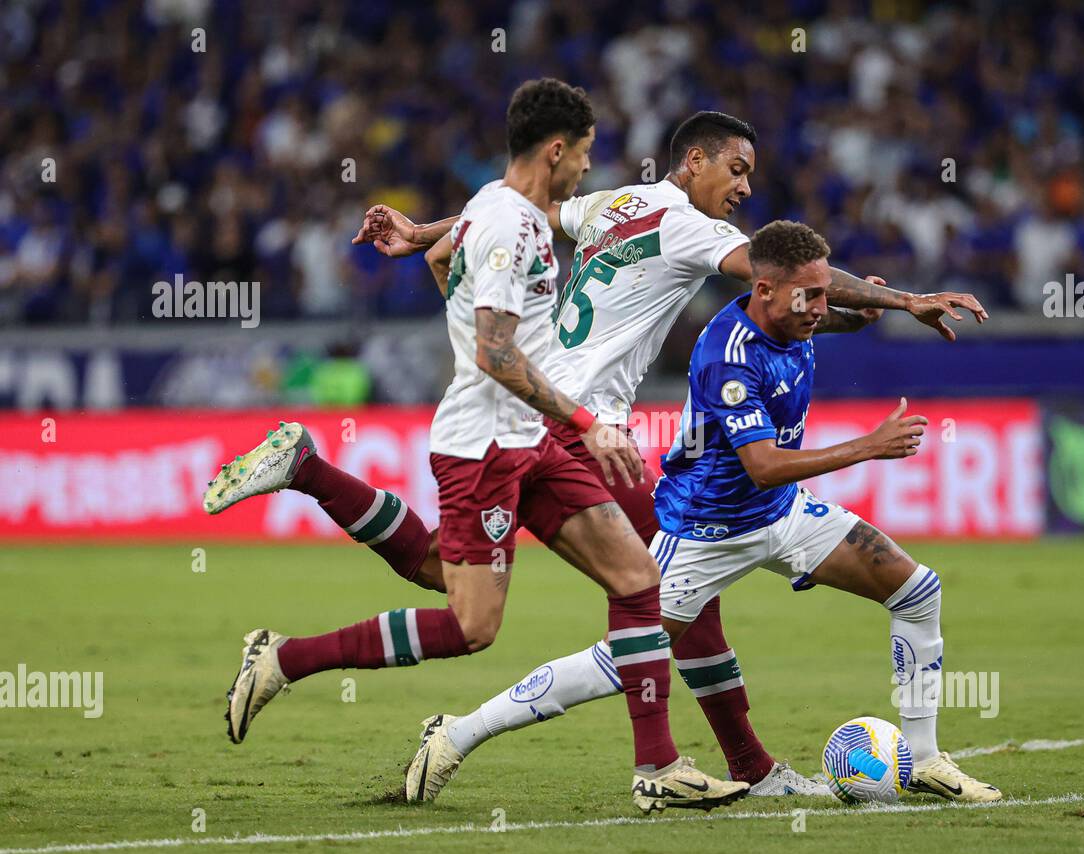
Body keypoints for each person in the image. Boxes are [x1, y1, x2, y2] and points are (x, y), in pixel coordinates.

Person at [220, 78, 747, 814]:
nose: (589, 168)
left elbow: (445, 269)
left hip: (528, 438)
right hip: (487, 446)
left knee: (635, 580)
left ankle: (657, 764)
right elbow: (499, 355)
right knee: (470, 623)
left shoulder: (499, 212)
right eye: (586, 153)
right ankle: (285, 655)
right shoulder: (508, 224)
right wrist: (587, 420)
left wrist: (428, 257)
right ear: (556, 150)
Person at [650, 219, 1003, 802]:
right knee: (623, 659)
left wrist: (879, 309)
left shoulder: (790, 322)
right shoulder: (729, 351)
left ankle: (923, 760)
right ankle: (464, 732)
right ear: (766, 289)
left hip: (783, 517)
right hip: (707, 527)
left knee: (916, 591)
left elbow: (819, 317)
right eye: (811, 294)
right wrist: (870, 445)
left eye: (825, 293)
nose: (822, 304)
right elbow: (762, 464)